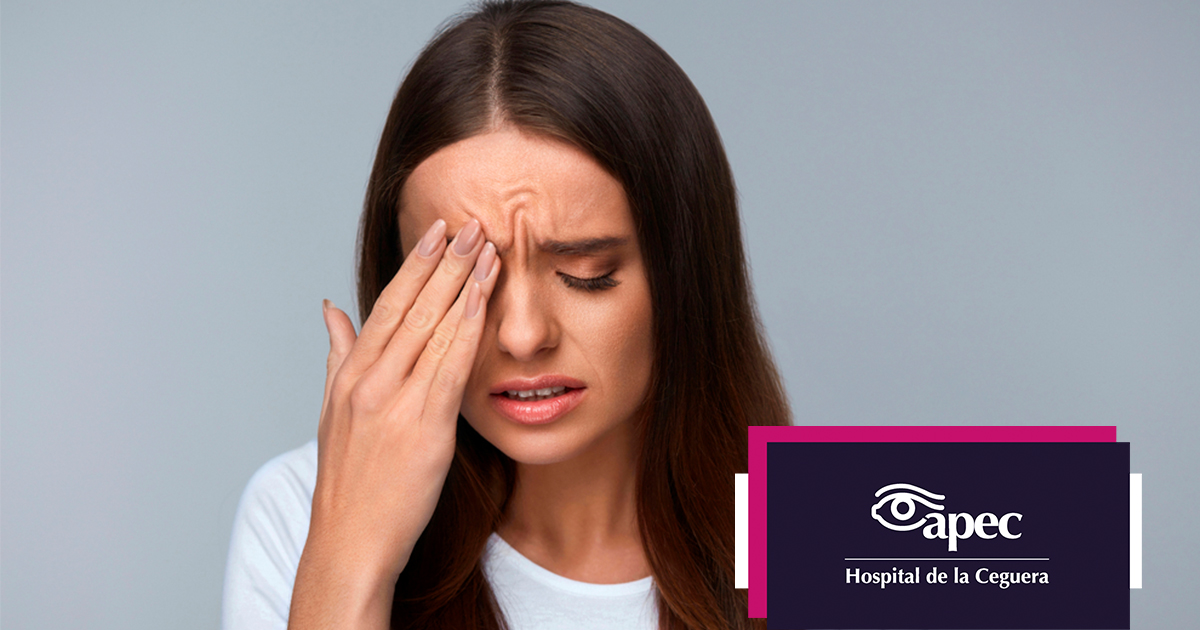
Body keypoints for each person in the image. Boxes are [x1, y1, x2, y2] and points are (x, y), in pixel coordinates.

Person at [221, 1, 790, 628]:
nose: (522, 336)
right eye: (467, 280)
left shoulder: (837, 518)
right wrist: (353, 557)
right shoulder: (304, 507)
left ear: (686, 275)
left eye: (586, 274)